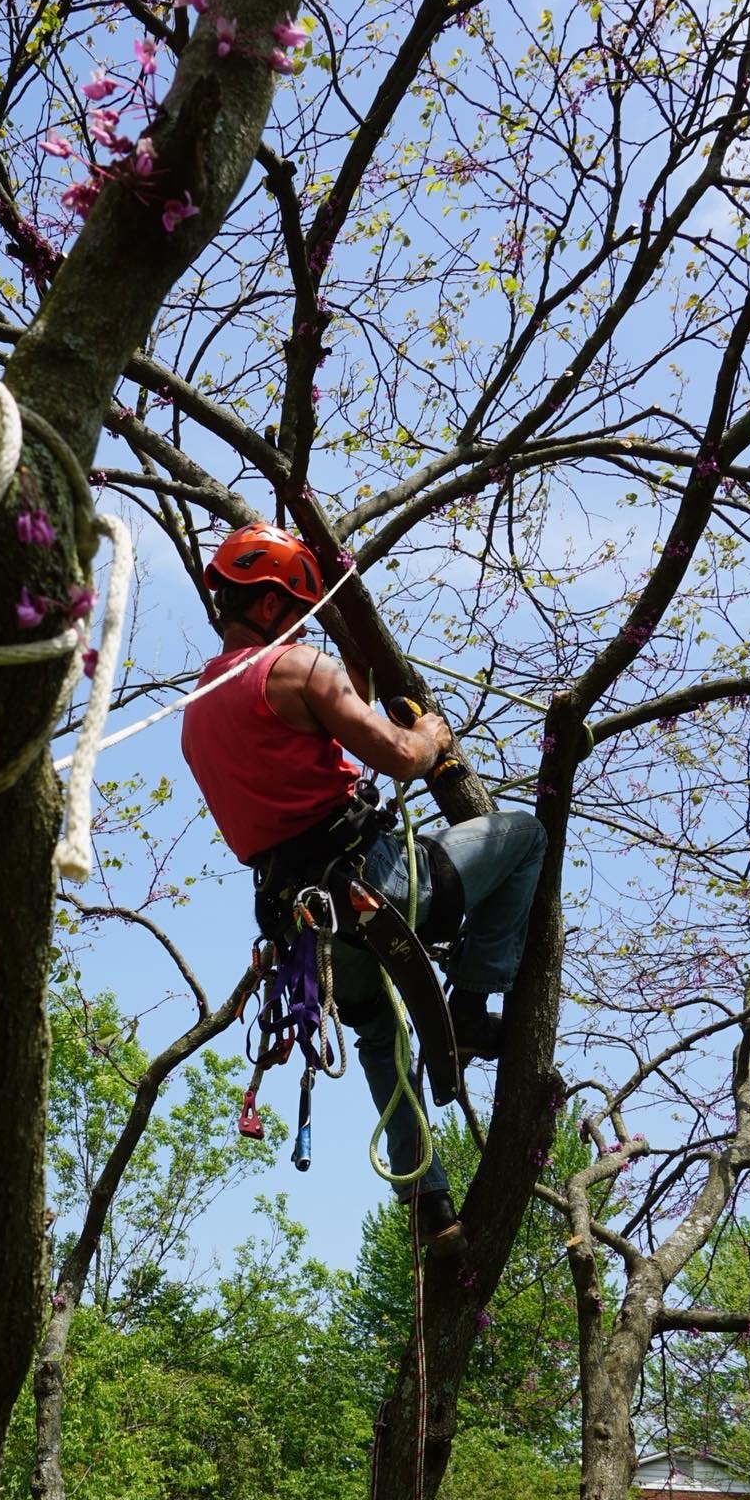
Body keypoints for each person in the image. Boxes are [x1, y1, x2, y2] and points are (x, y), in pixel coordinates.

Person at [181, 524, 546, 1255]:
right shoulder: (300, 670)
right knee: (525, 837)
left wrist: (357, 679)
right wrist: (434, 737)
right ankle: (471, 1008)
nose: (306, 625)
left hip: (307, 923)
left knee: (379, 1035)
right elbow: (402, 756)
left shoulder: (198, 709)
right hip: (377, 881)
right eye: (300, 612)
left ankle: (428, 1205)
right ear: (277, 606)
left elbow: (296, 750)